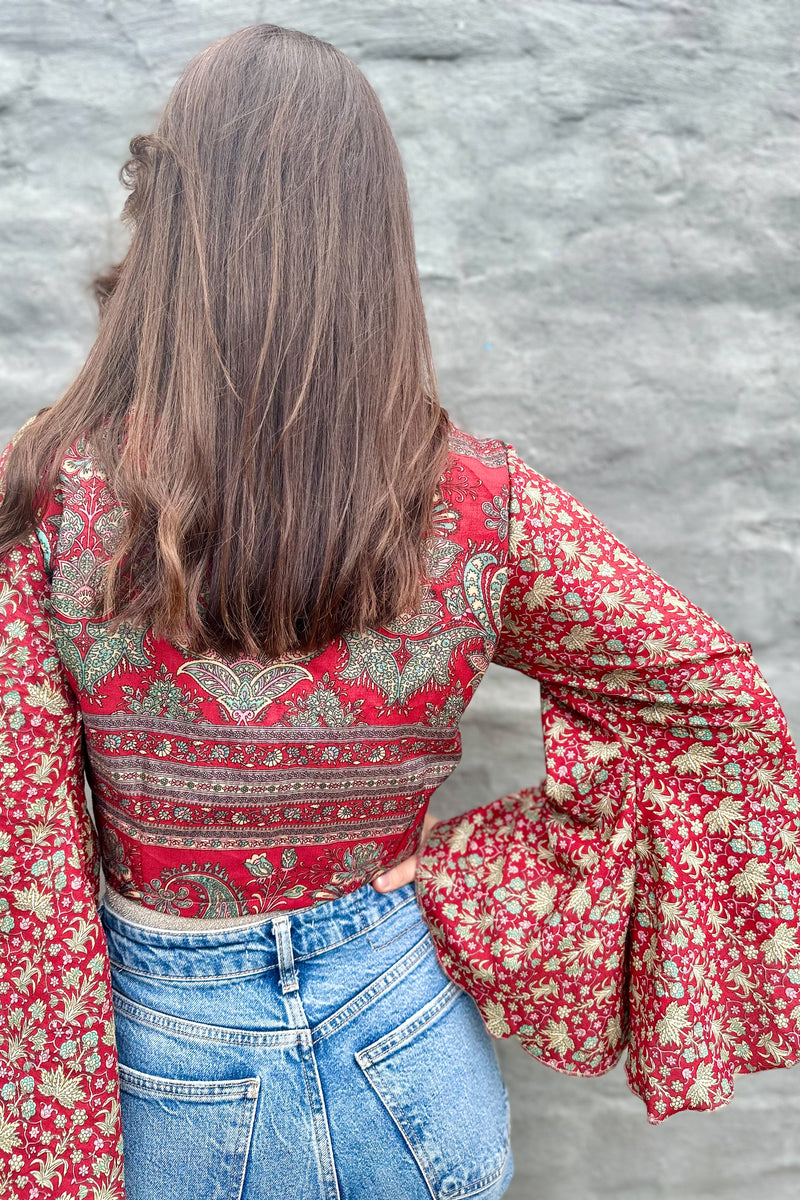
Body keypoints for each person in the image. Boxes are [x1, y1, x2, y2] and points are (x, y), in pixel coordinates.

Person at [1, 20, 799, 1200]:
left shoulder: (48, 500)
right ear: (370, 242)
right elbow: (720, 708)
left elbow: (23, 849)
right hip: (408, 1052)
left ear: (168, 225)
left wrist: (50, 1146)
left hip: (164, 1075)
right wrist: (475, 876)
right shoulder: (475, 504)